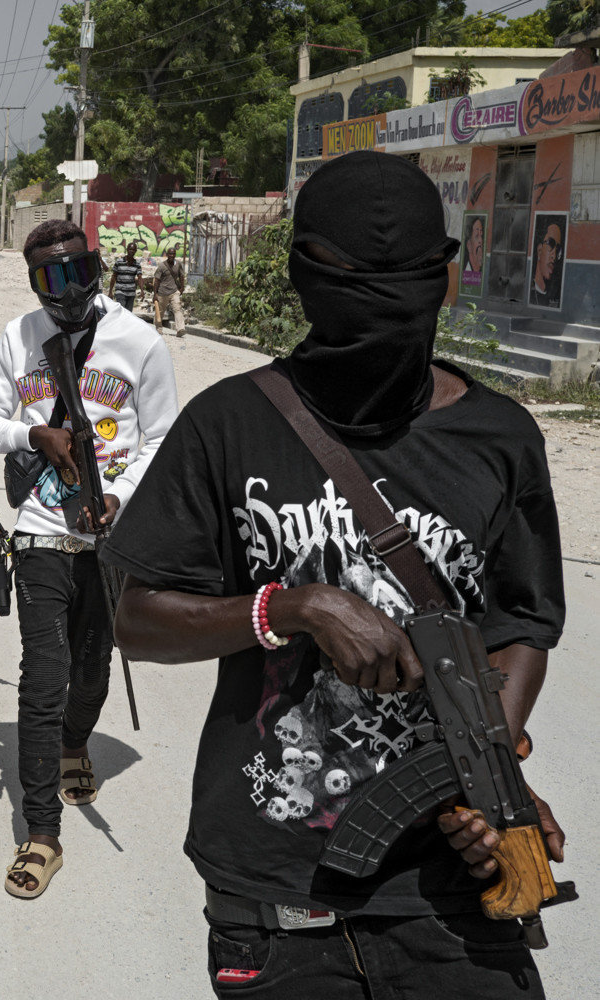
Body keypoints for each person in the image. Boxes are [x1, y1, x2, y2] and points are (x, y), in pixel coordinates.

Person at [104, 150, 567, 997]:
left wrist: (487, 777)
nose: (382, 310)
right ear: (304, 278)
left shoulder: (501, 437)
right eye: (357, 280)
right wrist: (293, 607)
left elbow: (523, 625)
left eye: (404, 281)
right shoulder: (229, 424)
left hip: (454, 891)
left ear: (442, 278)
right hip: (278, 896)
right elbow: (133, 618)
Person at [0, 219, 178, 898]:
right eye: (49, 278)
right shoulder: (16, 337)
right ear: (33, 282)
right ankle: (41, 831)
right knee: (43, 675)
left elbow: (160, 438)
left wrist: (116, 496)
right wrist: (36, 433)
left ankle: (73, 743)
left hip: (110, 538)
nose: (67, 288)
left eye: (77, 270)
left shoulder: (138, 342)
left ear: (95, 266)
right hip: (39, 530)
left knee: (91, 670)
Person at [150, 245, 187, 335]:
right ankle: (159, 327)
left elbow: (181, 275)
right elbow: (157, 280)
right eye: (170, 254)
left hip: (174, 291)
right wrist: (155, 294)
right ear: (167, 254)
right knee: (160, 312)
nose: (172, 255)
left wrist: (182, 287)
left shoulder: (178, 264)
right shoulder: (162, 266)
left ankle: (180, 329)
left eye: (173, 254)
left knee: (177, 309)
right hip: (162, 292)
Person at [530, 221, 565, 309]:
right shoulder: (529, 291)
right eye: (550, 244)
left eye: (558, 249)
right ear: (539, 250)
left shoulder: (555, 295)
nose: (554, 255)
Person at [107, 241, 144, 312]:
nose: (132, 251)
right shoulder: (119, 261)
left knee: (128, 313)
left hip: (131, 292)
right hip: (120, 291)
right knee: (121, 311)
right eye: (130, 249)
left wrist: (142, 291)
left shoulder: (137, 264)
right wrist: (110, 291)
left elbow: (140, 278)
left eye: (133, 250)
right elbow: (114, 276)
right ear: (127, 250)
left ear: (136, 251)